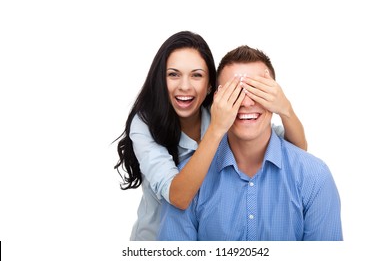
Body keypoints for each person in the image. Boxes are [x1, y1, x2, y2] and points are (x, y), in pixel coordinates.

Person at [114, 31, 308, 240]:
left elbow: (295, 152)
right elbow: (179, 197)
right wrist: (217, 128)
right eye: (173, 74)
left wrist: (285, 109)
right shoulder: (145, 124)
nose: (185, 86)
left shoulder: (221, 111)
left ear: (210, 87)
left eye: (196, 75)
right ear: (160, 80)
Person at [158, 45, 343, 241]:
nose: (246, 103)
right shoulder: (188, 181)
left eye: (257, 91)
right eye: (235, 93)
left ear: (275, 98)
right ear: (217, 100)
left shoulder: (314, 177)